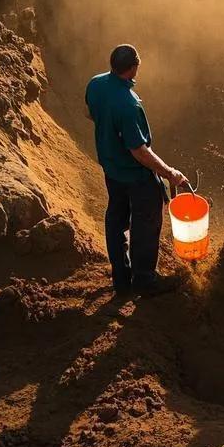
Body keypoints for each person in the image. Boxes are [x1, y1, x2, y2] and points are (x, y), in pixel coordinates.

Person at [85, 44, 190, 296]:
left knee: (116, 220)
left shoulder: (96, 84)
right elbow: (139, 152)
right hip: (135, 175)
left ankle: (121, 278)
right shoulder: (128, 104)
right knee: (146, 223)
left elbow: (90, 113)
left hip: (111, 169)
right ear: (134, 68)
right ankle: (144, 280)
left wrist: (111, 130)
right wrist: (169, 173)